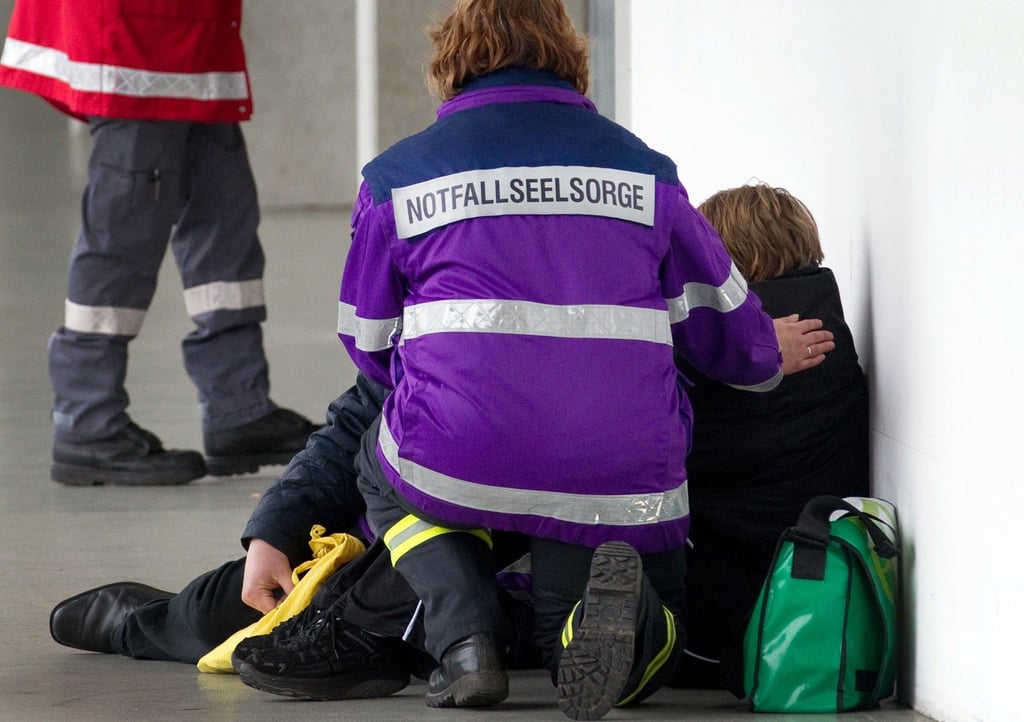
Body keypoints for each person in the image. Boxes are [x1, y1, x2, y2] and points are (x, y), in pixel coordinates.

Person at [334, 1, 833, 718]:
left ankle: (465, 638)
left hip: (461, 451)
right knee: (590, 625)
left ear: (450, 60)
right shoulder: (644, 171)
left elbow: (368, 337)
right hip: (617, 466)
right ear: (568, 52)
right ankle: (628, 628)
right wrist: (764, 352)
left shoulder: (397, 177)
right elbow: (719, 322)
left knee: (378, 465)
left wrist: (440, 387)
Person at [0, 0, 316, 486]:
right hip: (138, 30)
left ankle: (238, 404)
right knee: (126, 222)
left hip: (188, 28)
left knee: (223, 209)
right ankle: (86, 419)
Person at [672, 182, 869, 689]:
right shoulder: (831, 331)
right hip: (806, 598)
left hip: (715, 617)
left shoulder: (718, 343)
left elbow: (682, 447)